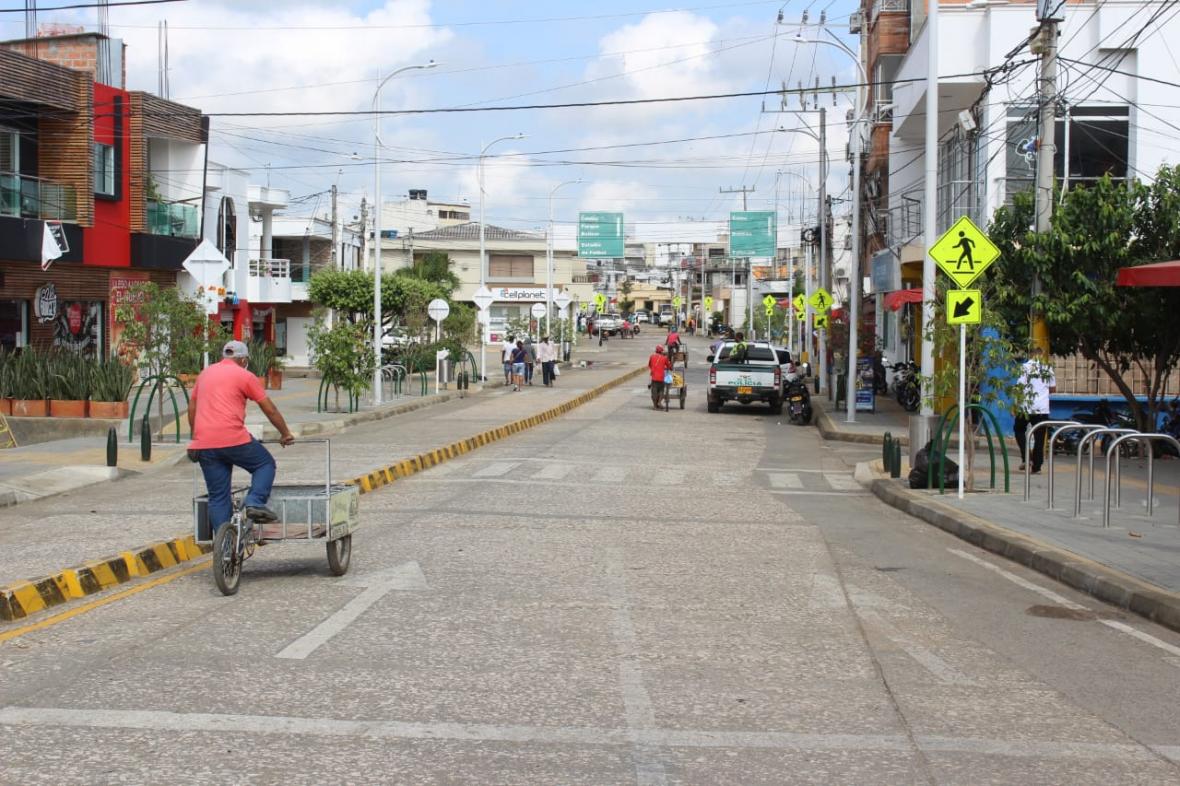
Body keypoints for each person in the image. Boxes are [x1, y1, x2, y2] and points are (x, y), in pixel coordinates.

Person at [188, 340, 295, 535]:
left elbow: (192, 407)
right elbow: (269, 408)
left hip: (204, 444)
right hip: (233, 439)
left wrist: (195, 437)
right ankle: (254, 502)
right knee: (265, 464)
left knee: (218, 496)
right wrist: (285, 433)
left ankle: (225, 544)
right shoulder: (245, 375)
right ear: (243, 359)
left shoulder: (205, 374)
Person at [1013, 347, 1057, 473]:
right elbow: (1053, 389)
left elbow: (1019, 387)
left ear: (1030, 355)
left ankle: (1026, 457)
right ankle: (1037, 466)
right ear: (1041, 355)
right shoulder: (1048, 368)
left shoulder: (1024, 367)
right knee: (1040, 436)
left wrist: (1015, 406)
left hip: (1025, 407)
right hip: (1042, 408)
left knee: (1019, 430)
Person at [648, 344, 670, 410]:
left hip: (654, 377)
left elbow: (649, 365)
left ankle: (655, 406)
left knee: (654, 392)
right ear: (662, 351)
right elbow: (669, 366)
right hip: (661, 378)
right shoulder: (664, 358)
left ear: (656, 351)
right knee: (661, 390)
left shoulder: (652, 356)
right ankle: (659, 402)